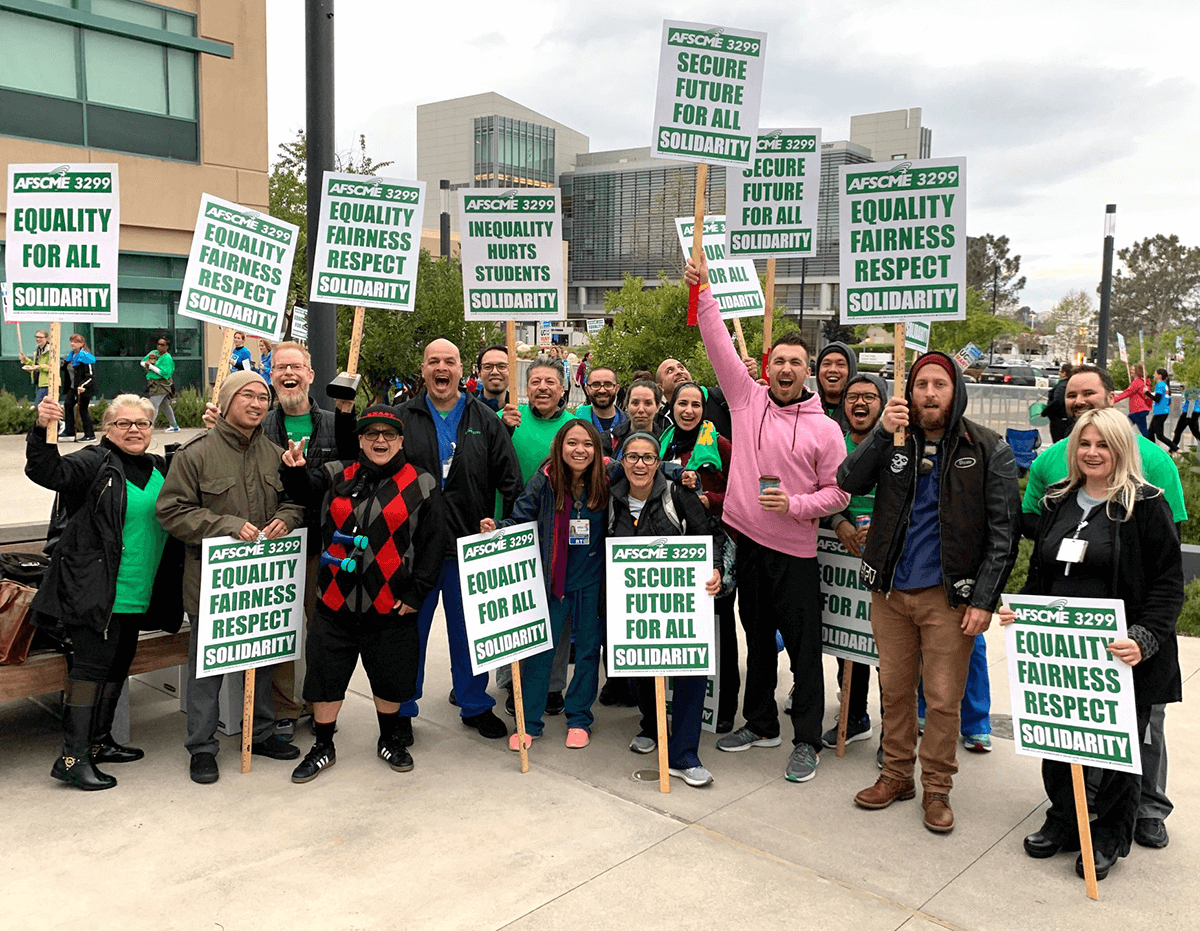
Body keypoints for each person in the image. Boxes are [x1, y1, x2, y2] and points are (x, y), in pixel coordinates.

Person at [839, 351, 1020, 833]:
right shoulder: (894, 440)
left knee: (941, 699)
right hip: (891, 592)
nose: (930, 393)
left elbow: (1005, 533)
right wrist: (880, 432)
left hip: (950, 597)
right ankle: (896, 776)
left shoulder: (987, 449)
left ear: (955, 390)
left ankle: (937, 788)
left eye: (939, 384)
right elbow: (846, 481)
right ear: (910, 392)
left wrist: (984, 599)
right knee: (895, 692)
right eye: (921, 384)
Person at [686, 257, 849, 785]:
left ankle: (805, 740)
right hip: (745, 541)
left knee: (803, 652)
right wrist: (703, 290)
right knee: (755, 636)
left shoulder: (826, 429)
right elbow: (718, 346)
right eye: (778, 360)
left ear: (808, 372)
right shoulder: (745, 398)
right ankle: (760, 724)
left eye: (795, 363)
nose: (785, 370)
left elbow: (839, 491)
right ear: (768, 365)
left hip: (795, 553)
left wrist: (797, 507)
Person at [1002, 408, 1182, 881]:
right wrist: (1023, 609)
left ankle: (1108, 835)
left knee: (1117, 748)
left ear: (1121, 448)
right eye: (1085, 443)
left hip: (1123, 655)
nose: (1092, 452)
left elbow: (1168, 585)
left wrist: (1144, 639)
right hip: (1062, 652)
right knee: (1060, 739)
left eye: (1103, 444)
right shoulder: (1058, 501)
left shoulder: (1145, 504)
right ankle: (1064, 818)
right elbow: (1042, 573)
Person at [281, 405, 446, 783]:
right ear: (360, 440)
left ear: (401, 440)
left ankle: (389, 738)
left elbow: (434, 543)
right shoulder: (337, 473)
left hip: (390, 604)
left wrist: (417, 594)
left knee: (390, 676)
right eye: (371, 434)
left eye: (389, 434)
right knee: (325, 676)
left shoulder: (422, 483)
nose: (380, 441)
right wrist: (292, 468)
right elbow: (304, 493)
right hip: (333, 601)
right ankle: (323, 745)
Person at [26, 394, 183, 790]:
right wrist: (42, 429)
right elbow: (49, 471)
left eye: (142, 423)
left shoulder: (158, 467)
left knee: (118, 664)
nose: (134, 430)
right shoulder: (94, 462)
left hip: (137, 590)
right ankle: (71, 758)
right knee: (91, 668)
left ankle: (99, 743)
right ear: (109, 428)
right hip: (96, 590)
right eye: (124, 423)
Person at [156, 371, 306, 784]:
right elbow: (171, 511)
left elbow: (296, 502)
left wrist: (285, 520)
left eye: (263, 397)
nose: (257, 403)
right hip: (213, 585)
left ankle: (260, 733)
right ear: (225, 402)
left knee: (264, 658)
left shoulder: (277, 453)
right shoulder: (195, 454)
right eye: (247, 396)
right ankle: (202, 747)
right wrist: (225, 525)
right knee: (208, 669)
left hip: (262, 583)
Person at [395, 339, 522, 743]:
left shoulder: (485, 419)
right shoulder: (402, 418)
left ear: (460, 369)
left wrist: (502, 526)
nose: (441, 368)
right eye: (433, 361)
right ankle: (401, 707)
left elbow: (512, 483)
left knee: (470, 633)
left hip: (469, 548)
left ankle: (473, 703)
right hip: (415, 550)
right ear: (423, 368)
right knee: (409, 632)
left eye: (449, 361)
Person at [481, 420, 609, 750]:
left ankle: (579, 718)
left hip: (592, 583)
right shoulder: (545, 480)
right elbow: (520, 517)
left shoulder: (608, 479)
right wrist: (496, 527)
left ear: (597, 449)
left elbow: (646, 463)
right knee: (539, 652)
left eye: (587, 444)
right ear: (559, 447)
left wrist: (681, 474)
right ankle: (530, 722)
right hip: (553, 581)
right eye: (572, 443)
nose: (580, 450)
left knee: (587, 655)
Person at [609, 431, 723, 785]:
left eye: (648, 457)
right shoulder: (611, 498)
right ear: (622, 461)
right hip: (635, 606)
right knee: (639, 667)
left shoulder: (679, 493)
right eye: (632, 457)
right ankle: (652, 724)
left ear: (659, 462)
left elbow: (711, 535)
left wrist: (716, 567)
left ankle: (685, 753)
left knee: (690, 671)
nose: (640, 464)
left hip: (682, 603)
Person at [663, 381, 739, 732]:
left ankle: (723, 706)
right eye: (682, 404)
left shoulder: (720, 443)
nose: (689, 410)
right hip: (673, 545)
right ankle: (676, 701)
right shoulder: (662, 441)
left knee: (718, 622)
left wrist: (713, 499)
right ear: (673, 406)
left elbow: (742, 485)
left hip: (714, 543)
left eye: (696, 404)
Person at [820, 372, 886, 754]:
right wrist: (839, 522)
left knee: (886, 652)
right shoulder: (835, 444)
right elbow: (822, 493)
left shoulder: (897, 446)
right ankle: (854, 716)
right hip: (841, 555)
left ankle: (892, 734)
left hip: (885, 557)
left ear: (882, 404)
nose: (860, 403)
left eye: (869, 397)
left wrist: (881, 527)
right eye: (852, 397)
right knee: (850, 644)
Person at [503, 361, 577, 482]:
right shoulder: (506, 417)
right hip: (509, 500)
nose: (542, 387)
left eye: (550, 382)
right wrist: (503, 427)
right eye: (535, 382)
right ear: (527, 389)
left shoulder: (575, 427)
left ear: (562, 390)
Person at [654, 357, 733, 440]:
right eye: (670, 371)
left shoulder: (719, 396)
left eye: (681, 367)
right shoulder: (659, 423)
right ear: (660, 387)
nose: (679, 372)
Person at [600, 378, 659, 457]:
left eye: (648, 403)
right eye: (635, 403)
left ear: (657, 407)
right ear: (627, 405)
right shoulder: (609, 439)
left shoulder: (666, 441)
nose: (641, 409)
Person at [62, 333, 97, 442]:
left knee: (82, 410)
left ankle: (90, 435)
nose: (73, 344)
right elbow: (64, 367)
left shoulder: (86, 356)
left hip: (84, 388)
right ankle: (69, 431)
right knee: (67, 405)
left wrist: (83, 386)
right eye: (71, 341)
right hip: (73, 387)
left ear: (82, 344)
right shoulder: (71, 355)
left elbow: (90, 375)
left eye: (76, 342)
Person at [141, 336, 180, 433]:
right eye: (158, 344)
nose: (159, 346)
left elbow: (165, 373)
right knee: (165, 405)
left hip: (162, 384)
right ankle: (174, 426)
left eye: (162, 345)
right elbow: (142, 362)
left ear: (167, 346)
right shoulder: (154, 353)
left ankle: (148, 427)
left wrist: (150, 366)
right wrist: (147, 364)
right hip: (154, 384)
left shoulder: (167, 358)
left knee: (153, 405)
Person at [815, 342, 858, 432]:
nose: (833, 370)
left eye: (841, 364)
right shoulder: (806, 410)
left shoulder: (862, 415)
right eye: (826, 364)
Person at [576, 366, 628, 435]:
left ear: (617, 389)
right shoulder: (576, 422)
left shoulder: (628, 425)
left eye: (608, 384)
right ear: (587, 389)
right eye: (595, 385)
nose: (602, 390)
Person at [1113, 363, 1151, 437]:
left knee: (1143, 432)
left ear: (1137, 371)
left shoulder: (1137, 382)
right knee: (1126, 427)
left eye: (1133, 369)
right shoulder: (1142, 382)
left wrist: (1114, 400)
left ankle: (1151, 446)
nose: (1131, 371)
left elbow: (1127, 393)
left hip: (1137, 410)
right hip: (1139, 410)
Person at [1146, 368, 1177, 452]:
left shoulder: (1159, 385)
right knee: (1150, 433)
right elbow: (1168, 400)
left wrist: (1147, 393)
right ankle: (1152, 451)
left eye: (1155, 373)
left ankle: (1176, 449)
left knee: (1159, 436)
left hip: (1160, 413)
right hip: (1162, 412)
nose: (1153, 375)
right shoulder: (1165, 385)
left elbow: (1157, 399)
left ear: (1159, 376)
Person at [474, 344, 511, 412]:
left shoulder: (521, 414)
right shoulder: (467, 413)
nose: (495, 372)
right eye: (488, 367)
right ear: (479, 374)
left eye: (502, 366)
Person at [20, 329, 53, 404]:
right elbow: (35, 364)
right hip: (38, 382)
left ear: (47, 338)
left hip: (47, 383)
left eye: (41, 337)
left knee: (38, 405)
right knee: (42, 407)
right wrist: (25, 360)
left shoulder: (50, 351)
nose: (38, 339)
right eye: (36, 337)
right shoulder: (38, 350)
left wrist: (38, 367)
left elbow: (52, 368)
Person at [1045, 363, 1074, 443]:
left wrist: (1045, 412)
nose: (1059, 374)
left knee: (1058, 442)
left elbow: (1057, 401)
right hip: (1068, 418)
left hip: (1059, 420)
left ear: (1064, 373)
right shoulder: (1071, 384)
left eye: (1060, 372)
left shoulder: (1061, 386)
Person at [1170, 384, 1200, 453]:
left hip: (1189, 413)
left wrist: (1188, 416)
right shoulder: (1191, 386)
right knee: (1196, 433)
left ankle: (1172, 450)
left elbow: (1192, 401)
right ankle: (1172, 450)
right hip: (1193, 412)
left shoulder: (1192, 387)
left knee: (1178, 431)